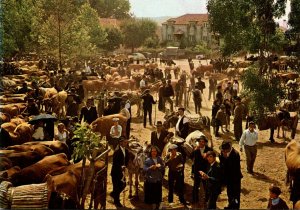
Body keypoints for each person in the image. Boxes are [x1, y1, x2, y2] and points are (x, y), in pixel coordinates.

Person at [219, 140, 243, 209]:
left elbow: (233, 168)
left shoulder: (235, 154)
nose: (223, 152)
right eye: (223, 150)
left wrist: (226, 158)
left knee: (236, 195)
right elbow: (222, 165)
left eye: (225, 150)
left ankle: (235, 207)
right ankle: (230, 205)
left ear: (229, 149)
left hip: (235, 178)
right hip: (227, 178)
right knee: (229, 193)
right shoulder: (222, 153)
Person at [190, 135, 212, 204]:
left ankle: (207, 200)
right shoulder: (196, 149)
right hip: (197, 171)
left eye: (203, 142)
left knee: (206, 186)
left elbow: (213, 158)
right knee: (196, 186)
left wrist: (207, 155)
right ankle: (195, 200)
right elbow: (191, 156)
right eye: (200, 142)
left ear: (205, 143)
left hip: (206, 170)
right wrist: (195, 150)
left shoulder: (208, 149)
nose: (201, 143)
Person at [110, 136, 130, 208]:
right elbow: (115, 162)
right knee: (116, 186)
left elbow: (126, 159)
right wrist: (120, 167)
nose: (125, 143)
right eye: (124, 142)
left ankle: (113, 194)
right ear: (120, 143)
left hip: (122, 172)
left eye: (126, 142)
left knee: (123, 185)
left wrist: (125, 167)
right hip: (116, 172)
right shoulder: (117, 151)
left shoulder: (126, 150)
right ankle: (117, 201)